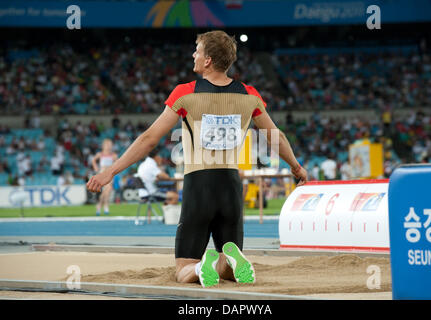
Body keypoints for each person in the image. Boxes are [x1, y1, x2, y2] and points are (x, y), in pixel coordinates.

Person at [86, 30, 308, 288]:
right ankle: (229, 262)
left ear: (208, 61)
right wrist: (296, 166)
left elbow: (149, 138)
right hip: (231, 188)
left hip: (198, 187)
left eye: (197, 50)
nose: (193, 54)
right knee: (227, 267)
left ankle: (202, 265)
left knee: (183, 269)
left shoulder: (185, 93)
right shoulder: (250, 95)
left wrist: (110, 172)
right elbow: (276, 137)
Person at [136, 149, 171, 223]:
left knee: (168, 196)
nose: (160, 158)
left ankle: (166, 217)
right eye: (159, 156)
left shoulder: (143, 164)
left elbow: (153, 177)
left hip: (143, 193)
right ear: (156, 156)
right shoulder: (151, 165)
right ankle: (169, 219)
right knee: (173, 196)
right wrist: (160, 165)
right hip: (150, 194)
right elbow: (166, 176)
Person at [91, 139, 118, 216]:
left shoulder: (114, 155)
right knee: (104, 191)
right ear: (103, 146)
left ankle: (101, 205)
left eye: (110, 145)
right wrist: (96, 168)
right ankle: (103, 205)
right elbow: (93, 160)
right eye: (107, 145)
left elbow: (117, 163)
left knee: (108, 191)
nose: (109, 147)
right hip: (102, 173)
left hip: (109, 174)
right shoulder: (100, 154)